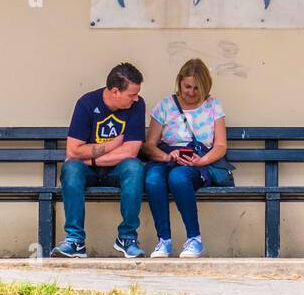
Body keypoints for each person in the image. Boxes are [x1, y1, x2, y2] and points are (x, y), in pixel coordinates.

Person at [142, 58, 234, 258]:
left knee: (178, 178)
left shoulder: (213, 106)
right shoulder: (165, 105)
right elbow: (149, 145)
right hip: (167, 157)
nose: (191, 92)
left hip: (198, 159)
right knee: (153, 179)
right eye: (187, 87)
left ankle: (194, 239)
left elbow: (220, 145)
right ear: (180, 82)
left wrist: (201, 161)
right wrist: (167, 156)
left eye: (196, 88)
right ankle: (163, 241)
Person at [54, 63, 147, 258]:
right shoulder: (87, 104)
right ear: (115, 91)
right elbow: (73, 150)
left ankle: (127, 237)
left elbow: (130, 151)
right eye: (131, 94)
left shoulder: (137, 106)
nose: (136, 98)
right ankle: (75, 240)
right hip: (87, 173)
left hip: (116, 170)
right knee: (71, 169)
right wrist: (113, 144)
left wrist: (91, 159)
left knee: (134, 167)